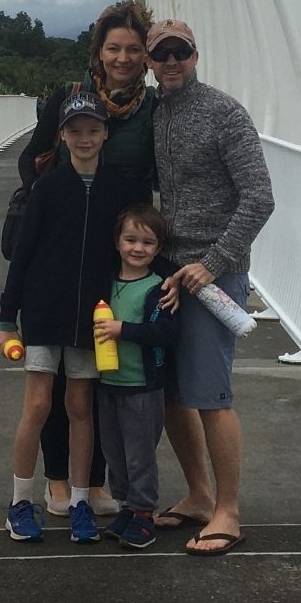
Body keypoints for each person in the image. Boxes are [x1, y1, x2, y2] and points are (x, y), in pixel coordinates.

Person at [17, 0, 158, 518]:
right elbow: (29, 159)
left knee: (97, 375)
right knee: (53, 382)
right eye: (113, 48)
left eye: (134, 50)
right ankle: (57, 480)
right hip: (64, 255)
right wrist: (56, 210)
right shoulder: (69, 99)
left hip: (117, 257)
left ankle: (92, 482)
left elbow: (151, 179)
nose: (122, 58)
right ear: (98, 52)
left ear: (145, 57)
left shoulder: (150, 109)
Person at [146, 19, 275, 556]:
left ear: (196, 56)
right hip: (169, 270)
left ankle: (229, 510)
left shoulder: (224, 113)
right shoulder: (155, 114)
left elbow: (259, 197)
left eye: (181, 53)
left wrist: (215, 261)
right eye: (162, 54)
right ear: (150, 62)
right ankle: (199, 497)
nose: (171, 62)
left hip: (212, 275)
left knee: (211, 395)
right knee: (175, 397)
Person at [0, 92, 147, 543]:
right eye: (75, 130)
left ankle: (80, 500)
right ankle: (21, 500)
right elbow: (22, 256)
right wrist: (7, 318)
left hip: (92, 318)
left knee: (81, 407)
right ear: (61, 136)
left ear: (105, 134)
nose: (85, 138)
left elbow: (131, 248)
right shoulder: (48, 188)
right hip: (44, 312)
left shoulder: (118, 191)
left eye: (93, 130)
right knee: (39, 406)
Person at [93, 204, 179, 549]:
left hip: (142, 385)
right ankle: (126, 505)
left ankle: (144, 513)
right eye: (130, 239)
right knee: (114, 451)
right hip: (108, 383)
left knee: (140, 452)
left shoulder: (160, 289)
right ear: (117, 242)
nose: (137, 248)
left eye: (147, 242)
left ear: (158, 249)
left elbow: (167, 333)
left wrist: (122, 329)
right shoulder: (107, 282)